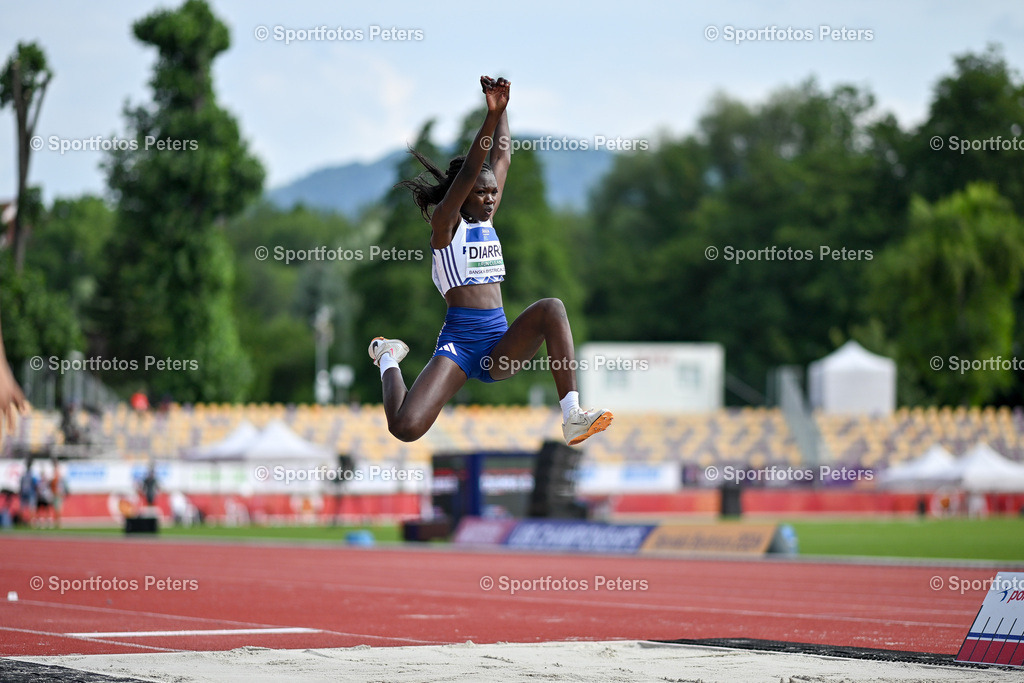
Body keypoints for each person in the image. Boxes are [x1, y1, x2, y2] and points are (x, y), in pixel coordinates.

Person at [370, 76, 613, 446]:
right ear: (462, 196)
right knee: (405, 428)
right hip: (460, 345)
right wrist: (489, 116)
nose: (488, 199)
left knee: (553, 308)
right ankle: (387, 355)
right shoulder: (445, 224)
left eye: (492, 193)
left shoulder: (487, 217)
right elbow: (471, 170)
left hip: (499, 344)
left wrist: (502, 108)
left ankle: (572, 416)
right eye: (480, 193)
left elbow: (502, 156)